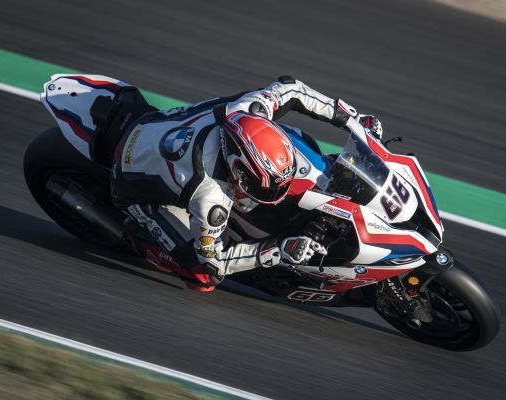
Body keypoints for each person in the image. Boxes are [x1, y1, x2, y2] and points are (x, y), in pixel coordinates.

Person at [110, 76, 383, 291]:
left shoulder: (250, 109)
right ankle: (137, 238)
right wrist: (279, 249)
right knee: (204, 276)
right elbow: (216, 259)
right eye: (264, 188)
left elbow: (292, 88)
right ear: (237, 171)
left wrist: (352, 120)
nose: (276, 195)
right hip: (127, 181)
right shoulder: (209, 197)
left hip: (155, 122)